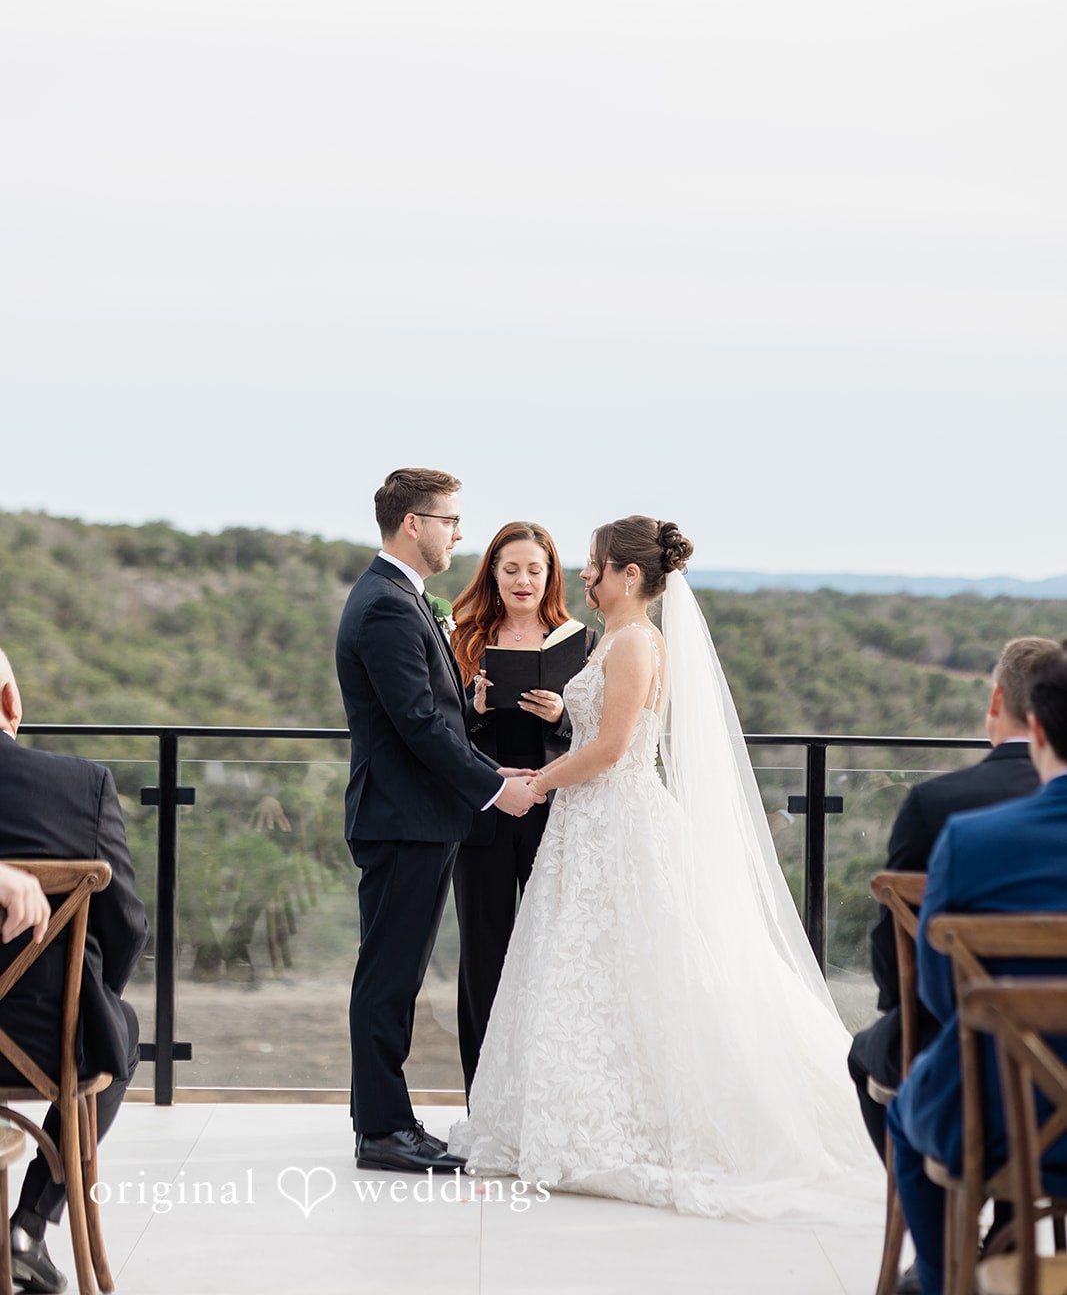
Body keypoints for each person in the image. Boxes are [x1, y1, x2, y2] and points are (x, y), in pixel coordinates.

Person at [451, 517, 878, 1219]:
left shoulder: (637, 644)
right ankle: (576, 1109)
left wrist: (536, 783)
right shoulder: (612, 641)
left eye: (592, 565)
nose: (581, 576)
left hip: (615, 821)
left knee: (642, 967)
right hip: (585, 827)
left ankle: (646, 1119)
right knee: (585, 972)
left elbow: (614, 748)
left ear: (626, 575)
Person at [336, 469, 540, 1175]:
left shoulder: (399, 596)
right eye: (450, 520)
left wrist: (480, 730)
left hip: (412, 816)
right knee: (388, 979)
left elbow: (434, 714)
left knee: (391, 976)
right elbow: (417, 726)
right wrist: (493, 790)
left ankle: (381, 1122)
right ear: (413, 524)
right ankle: (384, 1131)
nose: (459, 533)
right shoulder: (388, 605)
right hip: (404, 820)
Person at [887, 642, 1067, 1295]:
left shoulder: (972, 840)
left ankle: (943, 1280)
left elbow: (940, 994)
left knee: (907, 1112)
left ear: (1036, 729)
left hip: (991, 1114)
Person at [849, 637, 1053, 1162]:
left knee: (870, 1059)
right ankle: (1015, 1211)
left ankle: (946, 1238)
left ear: (995, 703)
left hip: (968, 1045)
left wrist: (903, 1013)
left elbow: (895, 948)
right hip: (1057, 1062)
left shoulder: (941, 809)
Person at [0, 647, 148, 1295]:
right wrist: (85, 997)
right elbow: (127, 928)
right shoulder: (79, 786)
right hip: (40, 1044)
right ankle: (30, 1224)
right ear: (10, 702)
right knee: (118, 1029)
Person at [449, 521, 598, 1098]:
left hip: (552, 812)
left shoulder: (579, 642)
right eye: (510, 568)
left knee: (548, 957)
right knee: (482, 961)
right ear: (492, 572)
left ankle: (541, 1101)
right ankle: (481, 1101)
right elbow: (441, 736)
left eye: (534, 569)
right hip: (483, 815)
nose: (522, 580)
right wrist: (476, 708)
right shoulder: (463, 638)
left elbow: (597, 735)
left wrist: (560, 714)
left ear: (550, 575)